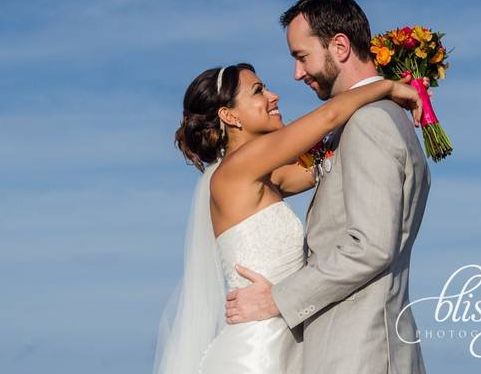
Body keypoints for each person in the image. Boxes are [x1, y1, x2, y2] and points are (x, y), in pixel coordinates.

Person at [154, 53, 422, 374]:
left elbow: (327, 162)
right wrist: (387, 87)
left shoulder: (266, 176)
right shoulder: (237, 167)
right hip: (255, 352)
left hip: (286, 341)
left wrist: (386, 116)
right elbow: (329, 117)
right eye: (257, 92)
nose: (273, 95)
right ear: (229, 115)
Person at [223, 0, 432, 373]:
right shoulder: (369, 120)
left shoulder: (369, 123)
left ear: (339, 46)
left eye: (301, 57)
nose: (296, 74)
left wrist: (277, 300)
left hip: (360, 351)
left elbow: (370, 247)